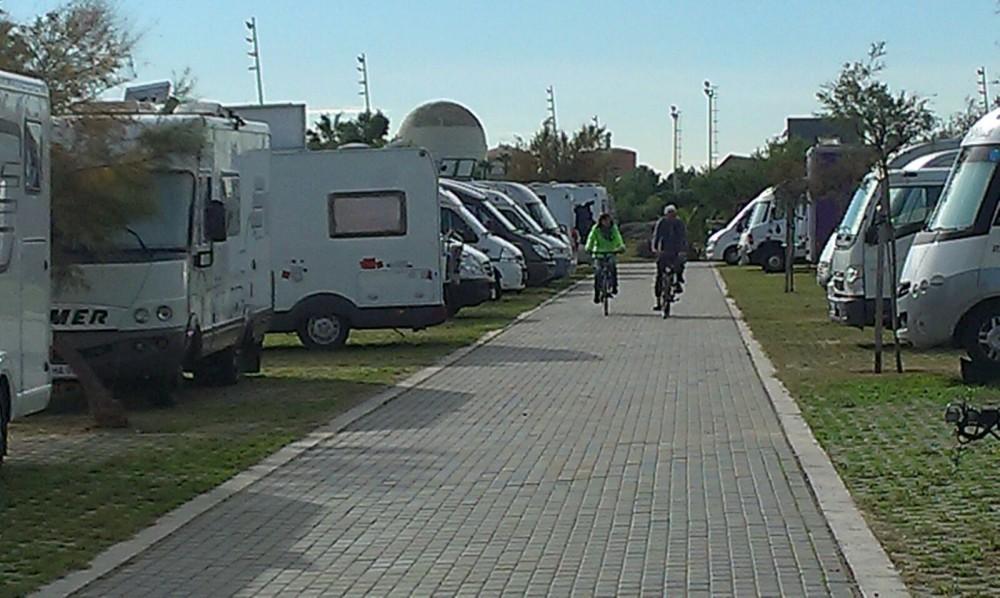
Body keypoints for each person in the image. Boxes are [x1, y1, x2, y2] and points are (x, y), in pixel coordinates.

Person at [652, 204, 687, 310]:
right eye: (669, 214)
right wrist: (655, 248)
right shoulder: (661, 223)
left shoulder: (679, 223)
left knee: (680, 264)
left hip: (676, 250)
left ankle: (678, 282)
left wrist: (683, 250)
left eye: (673, 214)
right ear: (665, 214)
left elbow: (683, 237)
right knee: (660, 274)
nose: (671, 216)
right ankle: (658, 300)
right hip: (664, 250)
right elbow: (656, 236)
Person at [585, 212, 625, 303]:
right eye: (604, 220)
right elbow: (591, 239)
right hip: (599, 253)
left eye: (608, 220)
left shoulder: (613, 229)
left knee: (612, 266)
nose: (606, 222)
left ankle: (614, 286)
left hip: (611, 251)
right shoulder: (596, 229)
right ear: (601, 221)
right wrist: (589, 248)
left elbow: (618, 238)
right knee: (598, 272)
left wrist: (621, 247)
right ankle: (597, 293)